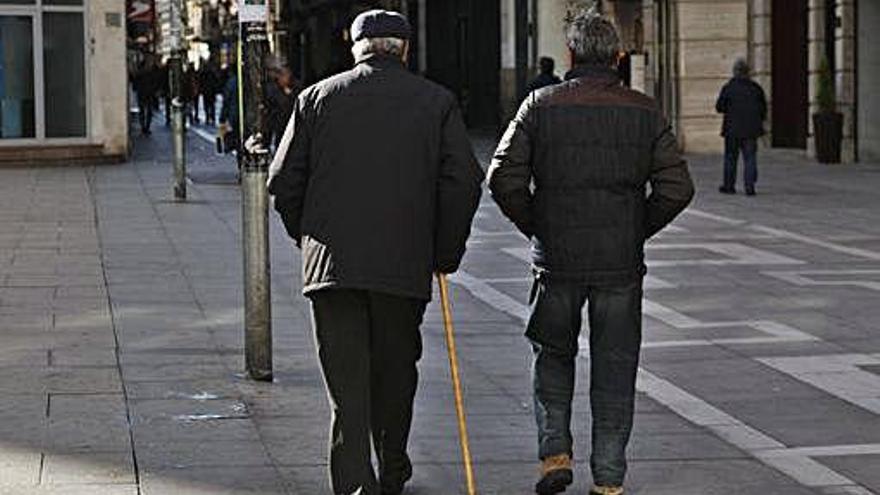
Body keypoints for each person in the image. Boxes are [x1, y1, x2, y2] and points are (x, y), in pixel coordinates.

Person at [268, 10, 483, 495]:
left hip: (332, 267)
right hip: (402, 265)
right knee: (395, 370)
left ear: (356, 48)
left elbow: (283, 183)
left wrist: (308, 237)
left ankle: (352, 482)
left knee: (347, 386)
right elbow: (464, 181)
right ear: (404, 50)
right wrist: (443, 252)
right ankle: (392, 468)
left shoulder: (316, 98)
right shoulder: (436, 101)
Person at [488, 9, 694, 495]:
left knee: (552, 355)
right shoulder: (645, 111)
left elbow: (503, 178)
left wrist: (538, 224)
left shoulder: (539, 105)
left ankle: (554, 453)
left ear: (572, 55)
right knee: (615, 363)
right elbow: (677, 187)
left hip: (556, 259)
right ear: (618, 57)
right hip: (619, 263)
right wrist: (636, 228)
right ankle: (608, 478)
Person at [715, 58, 767, 196]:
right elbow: (763, 109)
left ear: (735, 72)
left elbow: (719, 107)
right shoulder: (755, 88)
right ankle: (749, 187)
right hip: (751, 130)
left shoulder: (728, 88)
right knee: (750, 158)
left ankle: (729, 185)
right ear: (748, 72)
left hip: (732, 130)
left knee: (730, 158)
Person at [265, 64, 299, 148]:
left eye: (288, 75)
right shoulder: (273, 90)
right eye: (283, 75)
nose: (286, 78)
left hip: (292, 126)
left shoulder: (296, 88)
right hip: (279, 126)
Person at [132, 53, 161, 135]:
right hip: (147, 92)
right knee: (146, 110)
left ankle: (145, 127)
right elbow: (155, 81)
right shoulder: (150, 71)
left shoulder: (143, 71)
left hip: (145, 92)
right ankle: (145, 127)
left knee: (145, 110)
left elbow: (135, 81)